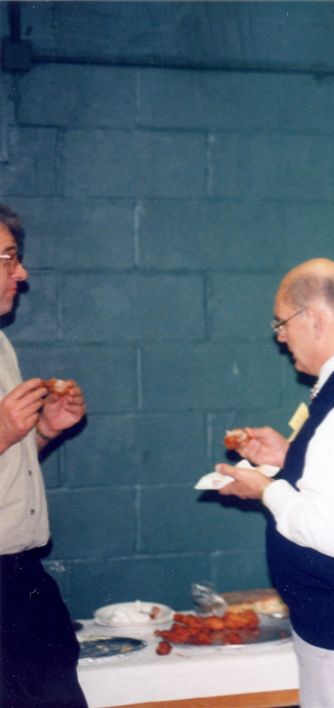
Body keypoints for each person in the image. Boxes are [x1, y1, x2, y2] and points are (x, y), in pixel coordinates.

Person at [216, 258, 334, 706]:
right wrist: (289, 459)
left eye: (282, 323)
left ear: (312, 318)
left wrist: (265, 489)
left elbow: (329, 533)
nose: (280, 337)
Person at [0, 204, 89, 707]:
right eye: (9, 258)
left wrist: (41, 432)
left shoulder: (1, 345)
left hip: (21, 582)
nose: (22, 273)